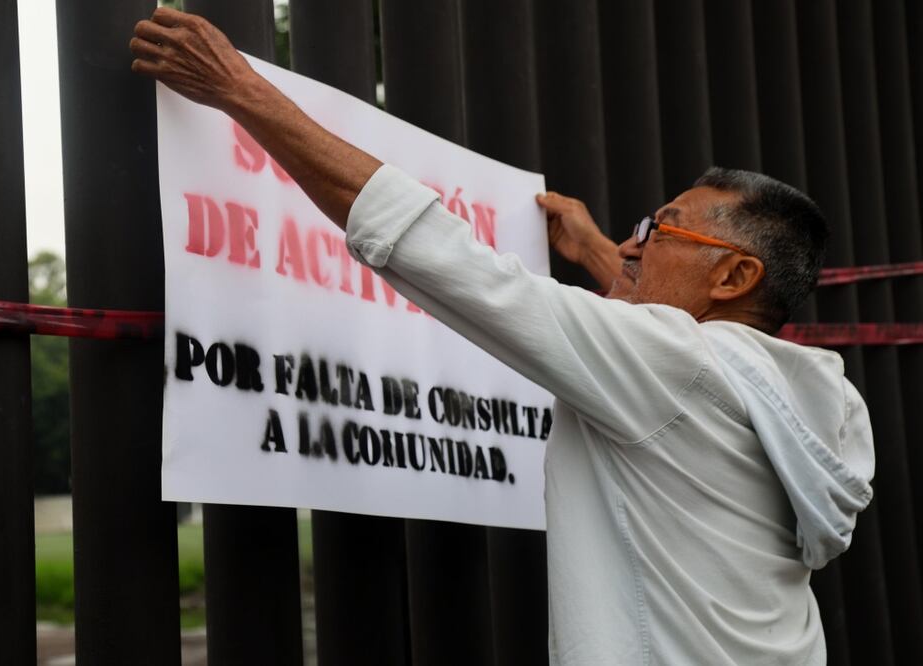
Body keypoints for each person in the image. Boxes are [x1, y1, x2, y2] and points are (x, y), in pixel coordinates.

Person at [130, 7, 875, 664]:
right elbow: (655, 346)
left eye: (660, 226)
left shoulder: (679, 365)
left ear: (733, 278)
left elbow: (450, 260)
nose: (635, 243)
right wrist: (591, 253)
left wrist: (243, 91)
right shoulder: (803, 396)